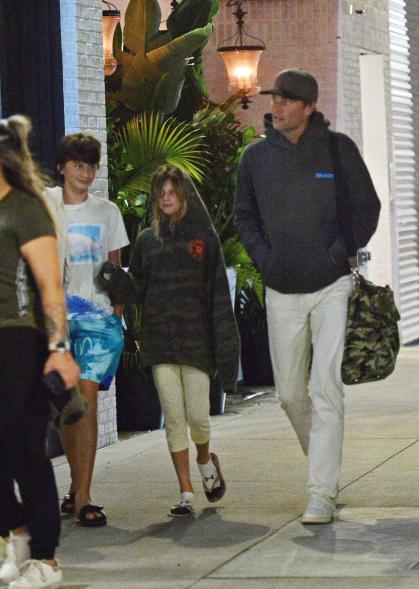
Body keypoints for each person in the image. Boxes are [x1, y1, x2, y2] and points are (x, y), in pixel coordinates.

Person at [235, 69, 381, 524]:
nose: (276, 106)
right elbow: (245, 216)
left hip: (332, 286)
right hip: (281, 289)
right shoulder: (255, 159)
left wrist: (340, 253)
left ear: (309, 107)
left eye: (286, 99)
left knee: (326, 388)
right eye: (274, 98)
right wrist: (266, 260)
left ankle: (321, 491)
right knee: (291, 395)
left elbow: (367, 208)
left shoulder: (338, 151)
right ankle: (321, 460)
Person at [98, 165, 240, 517]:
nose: (166, 198)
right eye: (161, 193)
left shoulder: (204, 240)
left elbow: (219, 295)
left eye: (172, 192)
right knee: (174, 418)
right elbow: (139, 291)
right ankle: (186, 490)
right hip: (160, 342)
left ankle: (206, 463)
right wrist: (112, 277)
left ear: (184, 196)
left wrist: (227, 354)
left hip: (196, 343)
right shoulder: (147, 241)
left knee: (198, 416)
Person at [0, 115, 80, 588]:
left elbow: (51, 287)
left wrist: (57, 347)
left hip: (19, 341)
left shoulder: (25, 208)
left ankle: (47, 561)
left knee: (25, 451)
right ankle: (20, 534)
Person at [45, 133, 129, 527]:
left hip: (97, 321)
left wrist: (116, 315)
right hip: (55, 323)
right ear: (61, 167)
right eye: (78, 165)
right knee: (65, 407)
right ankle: (75, 487)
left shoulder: (107, 211)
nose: (85, 173)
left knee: (88, 402)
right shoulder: (44, 205)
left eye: (91, 166)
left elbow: (114, 268)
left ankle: (84, 496)